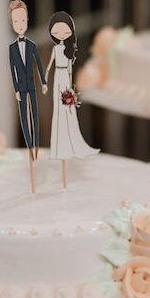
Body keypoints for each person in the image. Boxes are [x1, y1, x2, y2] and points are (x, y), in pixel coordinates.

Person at [45, 11, 99, 178]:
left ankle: (69, 142)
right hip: (57, 79)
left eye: (65, 30)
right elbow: (48, 67)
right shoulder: (55, 49)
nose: (61, 34)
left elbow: (69, 71)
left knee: (68, 112)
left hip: (65, 81)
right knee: (58, 111)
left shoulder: (69, 52)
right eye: (56, 30)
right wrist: (45, 81)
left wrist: (70, 89)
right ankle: (59, 146)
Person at [8, 0, 47, 163]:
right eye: (17, 21)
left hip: (32, 85)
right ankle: (29, 146)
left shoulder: (31, 45)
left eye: (23, 20)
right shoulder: (11, 48)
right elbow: (13, 70)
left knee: (35, 117)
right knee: (24, 117)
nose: (20, 24)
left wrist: (43, 82)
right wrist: (16, 88)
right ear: (12, 23)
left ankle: (36, 145)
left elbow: (38, 64)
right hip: (21, 87)